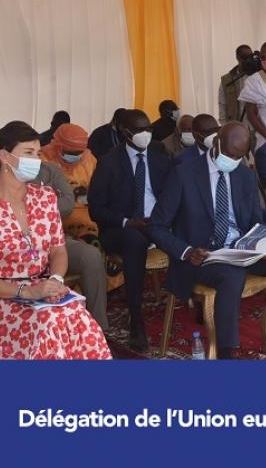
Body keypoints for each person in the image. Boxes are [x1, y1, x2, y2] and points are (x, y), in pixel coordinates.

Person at [148, 121, 266, 359]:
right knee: (231, 275)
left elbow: (254, 222)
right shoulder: (183, 174)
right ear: (217, 142)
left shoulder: (244, 175)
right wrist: (187, 251)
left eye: (240, 156)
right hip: (202, 256)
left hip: (241, 250)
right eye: (230, 154)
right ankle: (226, 354)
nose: (233, 161)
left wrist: (265, 244)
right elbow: (156, 226)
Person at [0, 122, 111, 359]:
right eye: (28, 153)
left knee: (80, 319)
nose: (36, 160)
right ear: (4, 156)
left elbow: (58, 250)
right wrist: (26, 292)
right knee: (48, 323)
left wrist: (56, 280)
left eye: (38, 153)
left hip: (41, 293)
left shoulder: (45, 198)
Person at [88, 109, 171, 352]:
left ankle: (196, 299)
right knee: (135, 241)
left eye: (148, 129)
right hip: (121, 228)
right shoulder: (109, 162)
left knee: (190, 230)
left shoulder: (159, 156)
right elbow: (96, 209)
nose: (145, 134)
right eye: (139, 130)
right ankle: (137, 321)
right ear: (125, 133)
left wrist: (165, 219)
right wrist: (127, 222)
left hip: (156, 224)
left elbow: (170, 195)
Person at [219, 44, 253, 123]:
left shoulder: (258, 76)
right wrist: (224, 126)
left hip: (254, 127)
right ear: (237, 58)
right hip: (235, 124)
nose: (248, 60)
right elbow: (222, 104)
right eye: (245, 57)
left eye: (250, 57)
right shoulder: (227, 79)